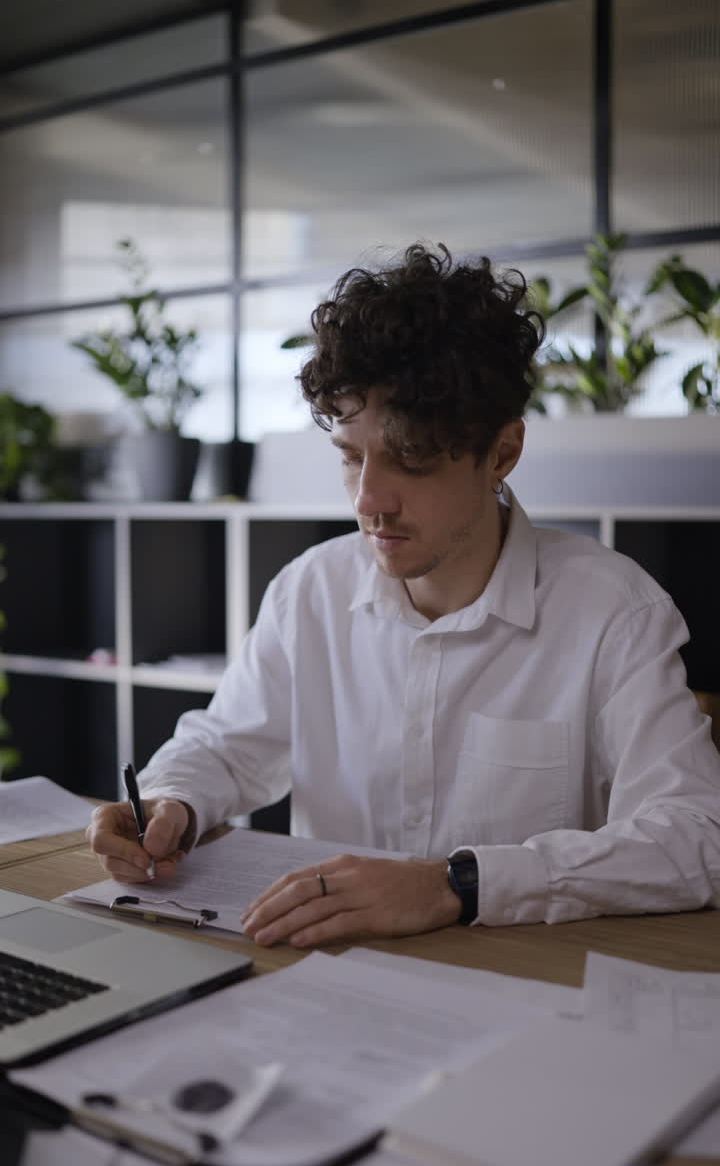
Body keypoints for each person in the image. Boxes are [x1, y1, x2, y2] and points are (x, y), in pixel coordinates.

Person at [88, 243, 720, 946]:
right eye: (351, 456)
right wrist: (172, 798)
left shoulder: (612, 612)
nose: (369, 501)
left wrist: (457, 885)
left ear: (502, 453)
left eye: (411, 460)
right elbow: (231, 745)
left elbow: (696, 837)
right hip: (320, 976)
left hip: (521, 992)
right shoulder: (311, 591)